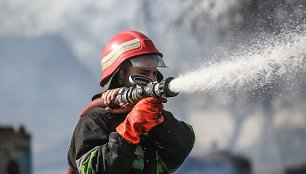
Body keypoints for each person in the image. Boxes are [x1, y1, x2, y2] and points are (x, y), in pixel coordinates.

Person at [67, 30, 195, 174]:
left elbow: (180, 150)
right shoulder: (96, 118)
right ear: (121, 76)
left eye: (154, 73)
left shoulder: (149, 118)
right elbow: (93, 170)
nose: (152, 81)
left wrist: (159, 120)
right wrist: (128, 132)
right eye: (143, 73)